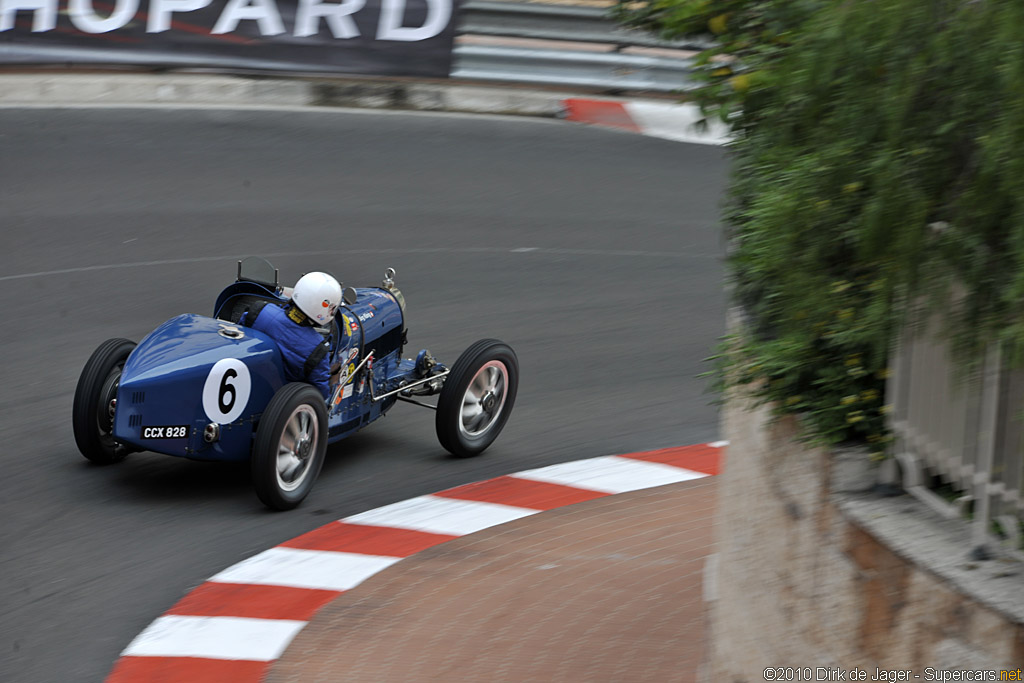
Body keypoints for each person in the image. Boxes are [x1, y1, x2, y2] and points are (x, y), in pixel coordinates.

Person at [241, 272, 341, 401]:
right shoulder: (317, 348)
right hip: (275, 402)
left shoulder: (260, 310)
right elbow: (320, 394)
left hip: (245, 380)